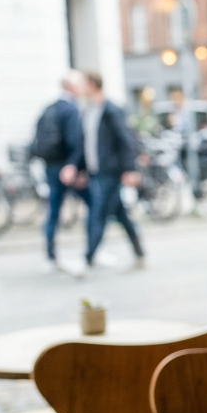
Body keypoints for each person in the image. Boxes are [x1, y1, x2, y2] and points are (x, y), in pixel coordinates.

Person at [61, 71, 143, 270]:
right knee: (120, 215)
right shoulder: (89, 111)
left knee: (97, 214)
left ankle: (87, 259)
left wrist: (129, 169)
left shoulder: (110, 110)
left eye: (83, 83)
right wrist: (78, 168)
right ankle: (140, 253)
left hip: (111, 172)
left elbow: (125, 140)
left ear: (92, 85)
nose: (80, 88)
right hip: (96, 172)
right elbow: (85, 144)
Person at [32, 72, 91, 269]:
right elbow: (76, 141)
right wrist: (75, 166)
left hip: (50, 165)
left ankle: (50, 255)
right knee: (93, 204)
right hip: (67, 167)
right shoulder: (71, 109)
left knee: (53, 209)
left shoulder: (50, 107)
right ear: (71, 86)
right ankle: (91, 250)